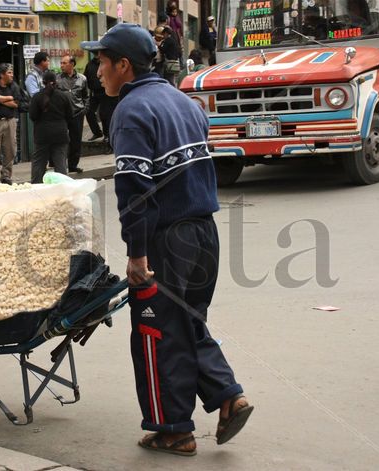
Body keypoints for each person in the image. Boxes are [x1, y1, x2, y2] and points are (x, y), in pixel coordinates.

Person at [81, 23, 253, 456]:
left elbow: (134, 189)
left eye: (102, 61)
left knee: (157, 333)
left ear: (124, 65)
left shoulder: (131, 110)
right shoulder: (184, 102)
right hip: (204, 233)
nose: (97, 69)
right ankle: (229, 396)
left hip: (166, 239)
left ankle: (174, 430)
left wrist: (137, 254)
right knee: (187, 323)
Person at [28, 70, 73, 184]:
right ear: (55, 81)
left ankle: (36, 188)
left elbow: (33, 116)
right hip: (60, 134)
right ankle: (63, 188)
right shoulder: (64, 96)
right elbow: (70, 116)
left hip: (42, 135)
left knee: (39, 163)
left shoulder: (37, 97)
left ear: (43, 82)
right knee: (60, 163)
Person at [56, 55, 89, 173]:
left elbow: (86, 96)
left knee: (76, 141)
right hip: (62, 114)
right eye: (61, 63)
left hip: (77, 113)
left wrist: (85, 109)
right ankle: (60, 166)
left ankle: (73, 165)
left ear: (72, 64)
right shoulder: (57, 79)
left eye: (64, 63)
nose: (61, 65)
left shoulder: (82, 78)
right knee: (62, 140)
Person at [83, 52, 104, 141]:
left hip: (105, 92)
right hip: (94, 93)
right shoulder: (89, 64)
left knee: (105, 114)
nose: (97, 55)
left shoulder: (105, 63)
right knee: (89, 112)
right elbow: (85, 78)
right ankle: (97, 133)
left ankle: (108, 136)